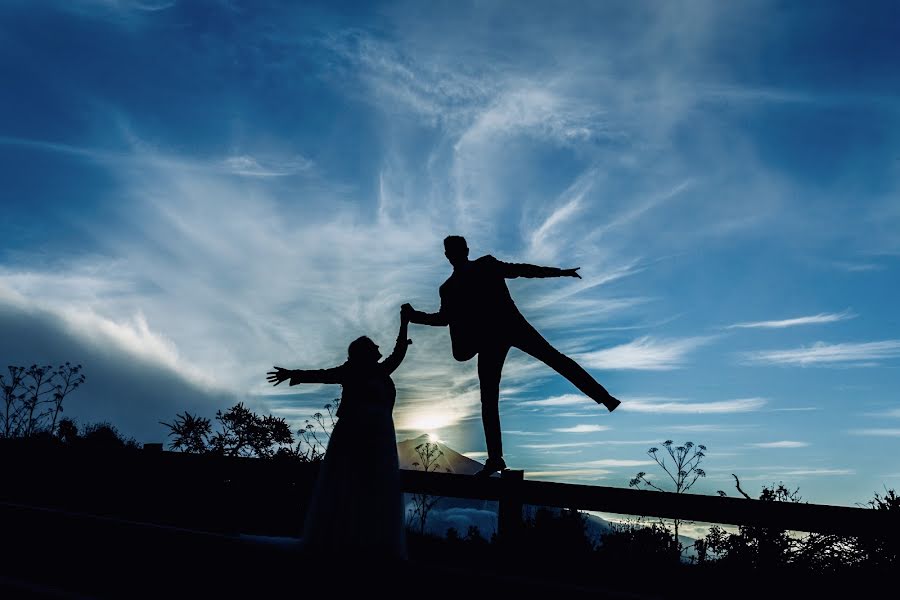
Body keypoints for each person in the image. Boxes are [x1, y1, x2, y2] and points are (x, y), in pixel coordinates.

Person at [403, 235, 620, 477]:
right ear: (449, 254)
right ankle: (495, 459)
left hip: (510, 328)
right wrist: (415, 316)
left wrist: (559, 272)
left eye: (455, 250)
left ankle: (604, 397)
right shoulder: (449, 287)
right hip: (490, 340)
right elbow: (444, 319)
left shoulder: (482, 267)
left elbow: (522, 271)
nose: (453, 254)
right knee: (493, 397)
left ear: (462, 250)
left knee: (552, 361)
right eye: (451, 251)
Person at [266, 307, 412, 560]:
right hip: (355, 435)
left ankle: (369, 540)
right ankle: (343, 540)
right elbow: (323, 375)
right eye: (374, 347)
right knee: (349, 483)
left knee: (373, 487)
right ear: (366, 352)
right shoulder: (352, 371)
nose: (379, 349)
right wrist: (293, 374)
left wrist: (404, 324)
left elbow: (397, 354)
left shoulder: (380, 370)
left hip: (380, 436)